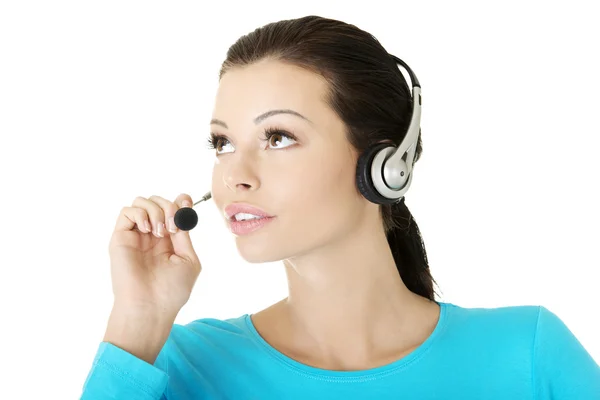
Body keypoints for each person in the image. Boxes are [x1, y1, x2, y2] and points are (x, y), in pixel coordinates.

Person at [80, 15, 600, 399]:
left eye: (279, 137)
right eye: (222, 143)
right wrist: (137, 320)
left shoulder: (528, 353)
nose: (234, 174)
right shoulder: (177, 365)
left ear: (385, 164)